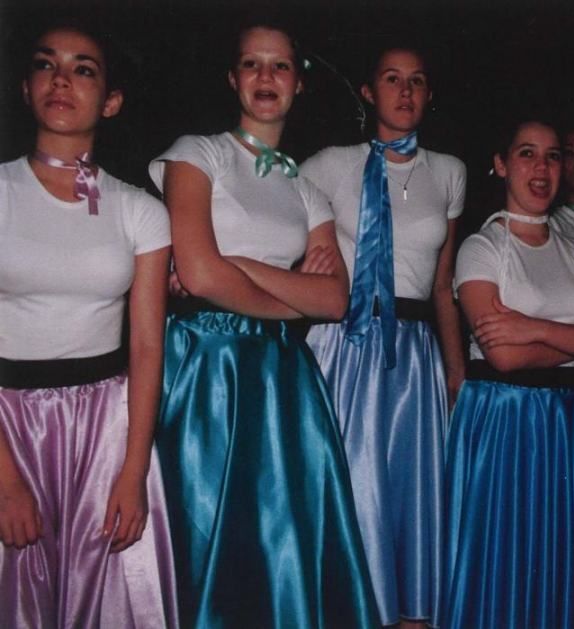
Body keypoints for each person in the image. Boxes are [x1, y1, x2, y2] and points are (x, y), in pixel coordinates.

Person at [150, 22, 378, 628]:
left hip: (283, 379)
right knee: (204, 530)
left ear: (300, 83)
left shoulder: (306, 189)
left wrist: (240, 267)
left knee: (279, 535)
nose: (266, 77)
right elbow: (198, 275)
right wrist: (287, 298)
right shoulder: (196, 153)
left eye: (280, 66)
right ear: (233, 77)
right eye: (252, 64)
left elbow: (333, 300)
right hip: (206, 365)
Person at [0, 23, 177, 626]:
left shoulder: (141, 211)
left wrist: (132, 470)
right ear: (27, 87)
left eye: (84, 68)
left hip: (105, 428)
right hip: (9, 427)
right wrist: (4, 478)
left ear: (111, 100)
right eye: (47, 64)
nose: (62, 79)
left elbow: (148, 344)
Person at [299, 45, 466, 628]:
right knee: (346, 493)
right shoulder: (326, 164)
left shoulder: (449, 172)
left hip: (413, 355)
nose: (405, 90)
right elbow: (274, 228)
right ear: (368, 92)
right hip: (342, 346)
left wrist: (455, 375)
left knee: (408, 503)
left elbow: (442, 285)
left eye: (417, 80)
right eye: (392, 79)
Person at [442, 118, 574, 629]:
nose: (541, 168)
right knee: (505, 561)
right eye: (526, 154)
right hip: (508, 422)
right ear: (501, 164)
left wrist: (531, 327)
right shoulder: (482, 248)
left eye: (552, 156)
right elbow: (503, 358)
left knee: (570, 563)